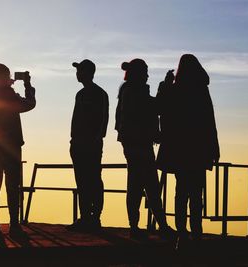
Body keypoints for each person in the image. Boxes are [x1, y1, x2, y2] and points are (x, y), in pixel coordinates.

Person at [156, 54, 220, 246]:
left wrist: (165, 86)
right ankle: (196, 234)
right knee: (196, 193)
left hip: (180, 149)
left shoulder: (175, 90)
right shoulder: (201, 90)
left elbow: (160, 109)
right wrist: (214, 148)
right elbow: (210, 121)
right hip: (199, 149)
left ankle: (182, 234)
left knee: (181, 192)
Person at [115, 58, 175, 240]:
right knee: (146, 186)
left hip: (134, 144)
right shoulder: (135, 92)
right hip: (139, 144)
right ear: (139, 74)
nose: (148, 75)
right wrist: (164, 87)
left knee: (140, 185)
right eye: (145, 72)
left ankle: (141, 225)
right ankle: (153, 226)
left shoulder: (128, 91)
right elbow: (155, 107)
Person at [0, 63, 36, 240]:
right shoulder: (7, 94)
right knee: (12, 186)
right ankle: (14, 225)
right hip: (10, 146)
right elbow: (28, 104)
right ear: (1, 76)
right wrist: (28, 86)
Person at [67, 59, 109, 232]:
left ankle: (95, 217)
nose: (77, 74)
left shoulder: (99, 94)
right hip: (78, 144)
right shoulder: (80, 94)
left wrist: (95, 139)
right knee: (81, 181)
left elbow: (103, 120)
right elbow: (76, 119)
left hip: (91, 145)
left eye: (80, 71)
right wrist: (73, 140)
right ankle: (85, 217)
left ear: (89, 73)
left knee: (93, 180)